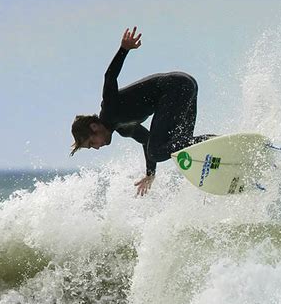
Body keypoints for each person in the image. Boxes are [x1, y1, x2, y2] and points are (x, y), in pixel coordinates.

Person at [70, 27, 213, 196]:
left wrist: (124, 49)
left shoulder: (109, 110)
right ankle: (219, 154)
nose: (96, 148)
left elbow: (109, 77)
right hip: (185, 86)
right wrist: (150, 174)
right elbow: (147, 141)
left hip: (176, 87)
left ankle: (214, 141)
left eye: (91, 143)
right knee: (182, 147)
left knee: (158, 151)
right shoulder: (124, 128)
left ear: (94, 127)